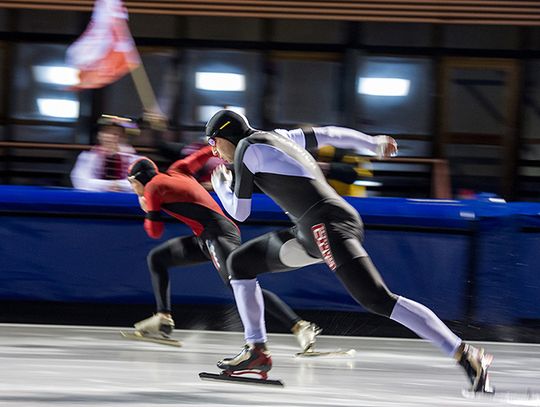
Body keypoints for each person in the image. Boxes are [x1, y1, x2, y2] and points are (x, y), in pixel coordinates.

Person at [206, 109, 493, 392]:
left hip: (326, 226)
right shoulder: (278, 136)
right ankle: (256, 350)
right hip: (313, 229)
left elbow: (240, 212)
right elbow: (330, 134)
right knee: (240, 264)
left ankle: (465, 354)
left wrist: (222, 188)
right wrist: (372, 143)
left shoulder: (245, 149)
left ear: (226, 135)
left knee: (378, 299)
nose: (215, 153)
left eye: (213, 143)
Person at [126, 146, 322, 353]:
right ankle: (163, 318)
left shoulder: (152, 189)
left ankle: (300, 325)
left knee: (240, 285)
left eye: (132, 184)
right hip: (207, 235)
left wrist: (148, 210)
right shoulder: (177, 169)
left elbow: (155, 231)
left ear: (139, 180)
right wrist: (221, 148)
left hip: (217, 235)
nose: (132, 189)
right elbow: (204, 153)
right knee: (157, 258)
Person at [71, 115, 139, 192]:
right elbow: (81, 182)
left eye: (116, 134)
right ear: (99, 136)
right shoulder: (88, 157)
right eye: (107, 133)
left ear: (123, 137)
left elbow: (138, 183)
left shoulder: (134, 159)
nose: (111, 137)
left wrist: (119, 186)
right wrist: (110, 185)